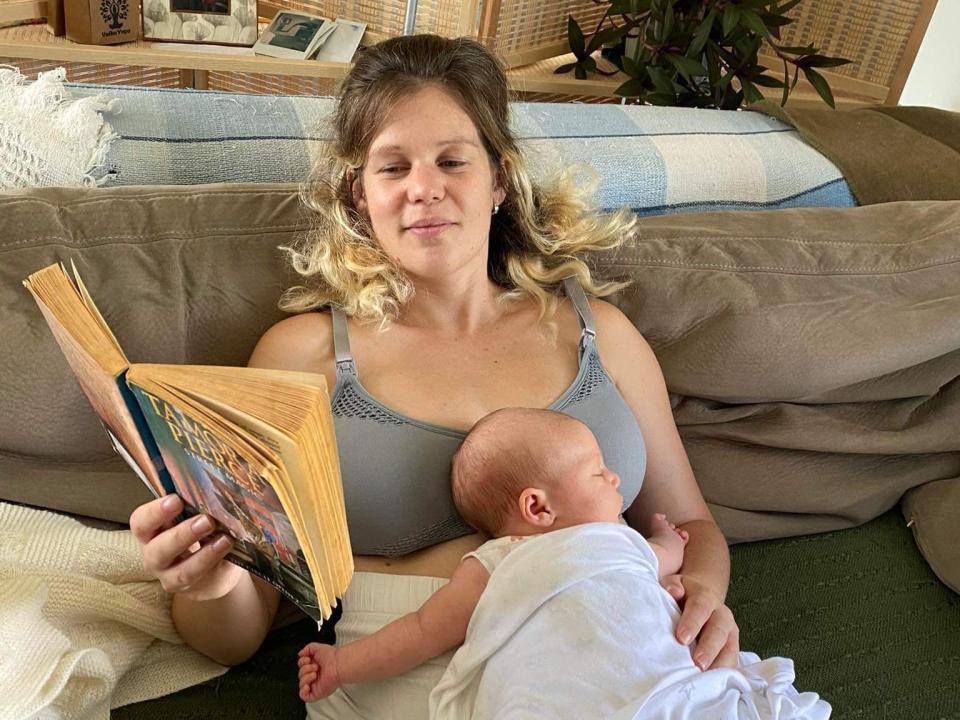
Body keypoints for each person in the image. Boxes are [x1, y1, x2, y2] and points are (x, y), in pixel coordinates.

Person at [128, 33, 740, 716]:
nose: (425, 188)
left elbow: (689, 522)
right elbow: (239, 633)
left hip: (625, 670)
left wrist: (707, 594)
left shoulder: (602, 333)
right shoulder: (300, 360)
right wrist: (204, 586)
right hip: (405, 684)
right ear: (358, 193)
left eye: (453, 159)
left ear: (500, 179)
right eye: (393, 168)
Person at [297, 407, 689, 704]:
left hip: (656, 677)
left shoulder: (616, 542)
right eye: (598, 471)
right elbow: (421, 632)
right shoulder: (499, 562)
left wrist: (667, 538)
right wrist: (341, 665)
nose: (614, 477)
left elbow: (660, 557)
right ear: (537, 508)